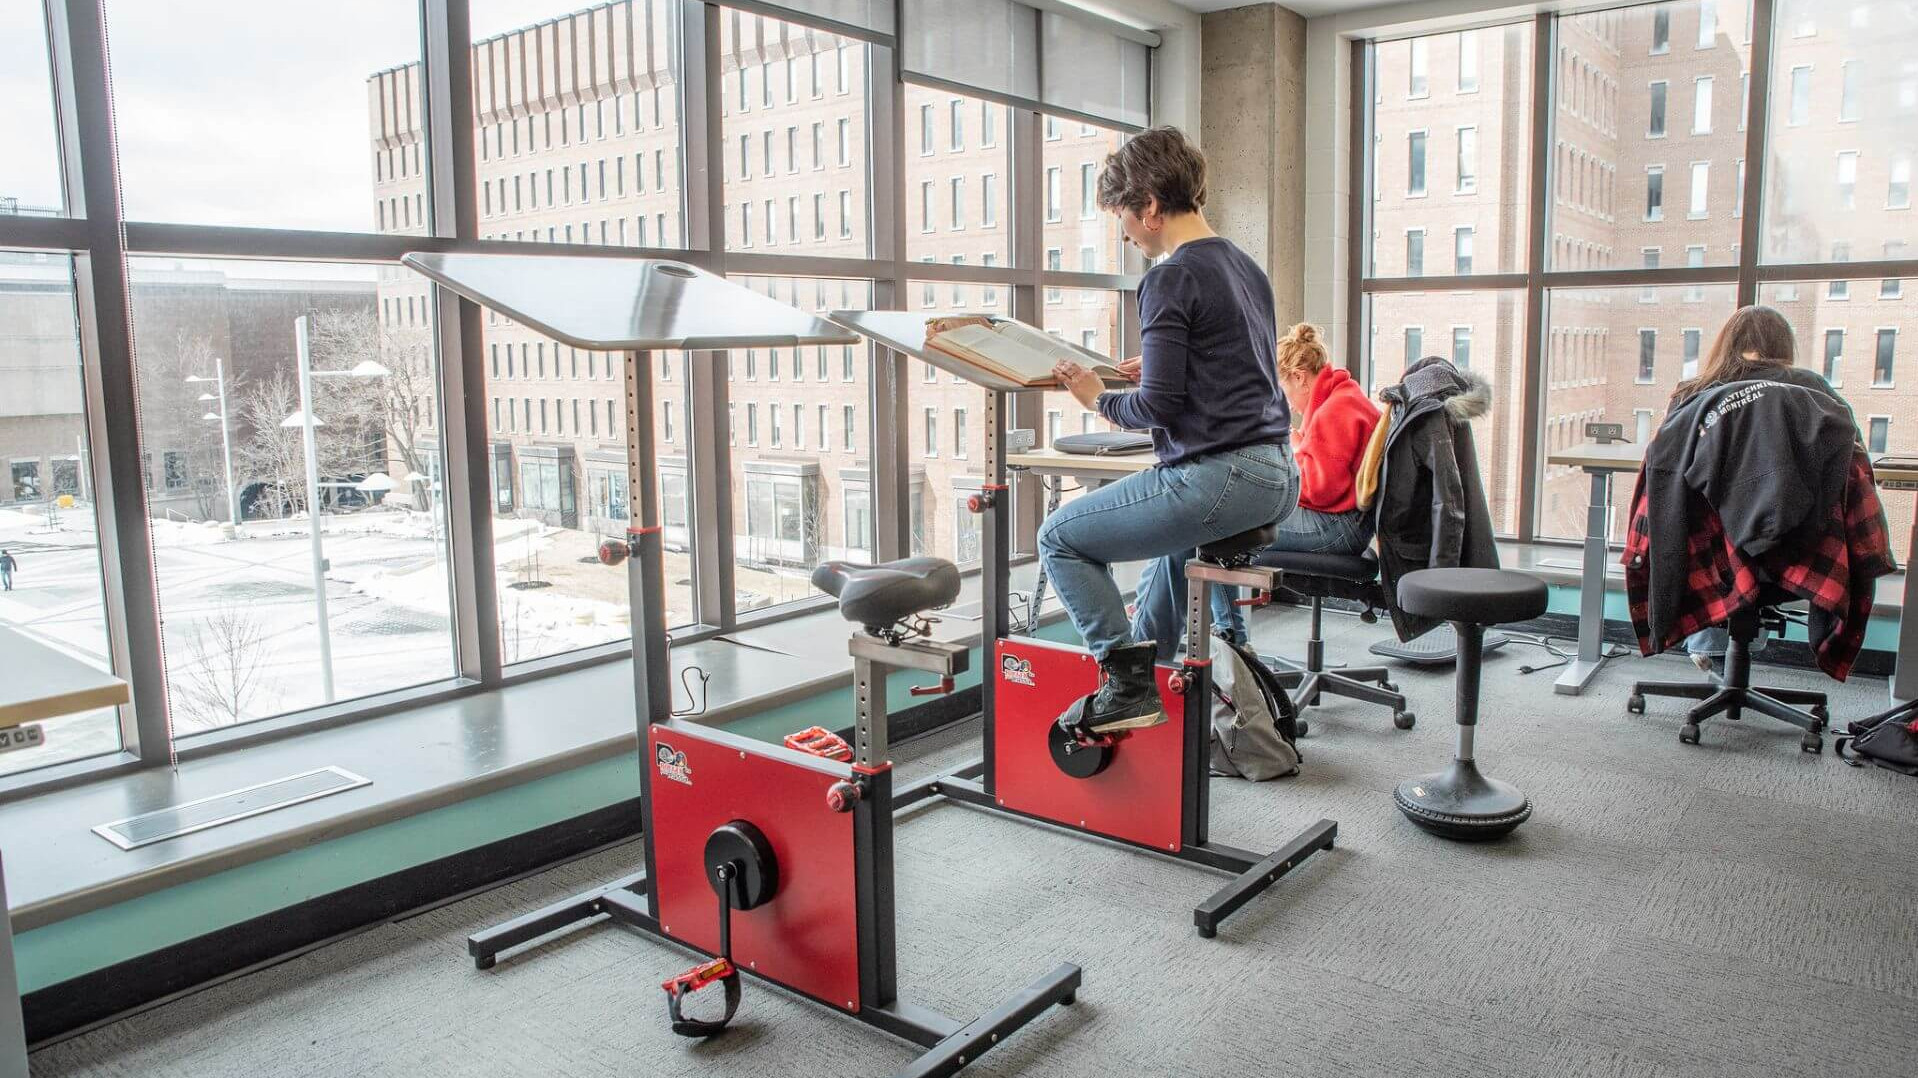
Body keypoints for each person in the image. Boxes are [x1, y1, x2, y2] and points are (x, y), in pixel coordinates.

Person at [1040, 125, 1297, 737]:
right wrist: (1157, 366)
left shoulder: (1169, 276)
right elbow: (1233, 369)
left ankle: (1123, 684)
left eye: (1123, 216)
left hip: (1221, 477)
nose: (1125, 233)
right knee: (1167, 574)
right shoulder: (1245, 266)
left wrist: (1098, 398)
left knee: (1059, 538)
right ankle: (1148, 687)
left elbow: (1156, 407)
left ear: (1150, 205)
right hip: (1277, 472)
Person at [1661, 305, 1853, 673]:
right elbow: (1849, 462)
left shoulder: (1692, 393)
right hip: (1800, 551)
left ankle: (1712, 642)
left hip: (1714, 555)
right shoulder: (1814, 389)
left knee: (1719, 531)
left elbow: (1666, 473)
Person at [1194, 322, 1383, 648]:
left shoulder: (1336, 410)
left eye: (1282, 388)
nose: (1286, 401)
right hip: (1345, 521)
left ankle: (1229, 635)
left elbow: (1319, 490)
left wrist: (1272, 481)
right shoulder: (1340, 398)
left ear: (1299, 376)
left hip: (1336, 528)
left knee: (1215, 528)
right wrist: (1293, 444)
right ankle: (1229, 632)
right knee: (1219, 525)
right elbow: (1323, 465)